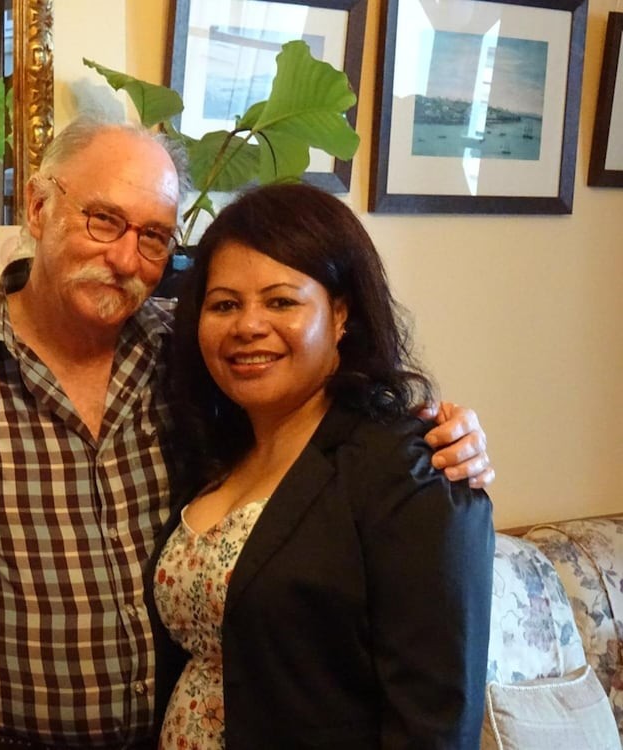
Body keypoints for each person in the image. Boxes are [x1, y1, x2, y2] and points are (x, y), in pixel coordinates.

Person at [0, 118, 494, 750]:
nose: (126, 258)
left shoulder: (185, 355)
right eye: (104, 220)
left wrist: (446, 432)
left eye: (155, 237)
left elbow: (325, 439)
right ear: (38, 208)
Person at [151, 182, 494, 749]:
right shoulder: (216, 453)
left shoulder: (413, 471)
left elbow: (436, 720)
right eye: (224, 304)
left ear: (341, 314)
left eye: (281, 301)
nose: (247, 325)